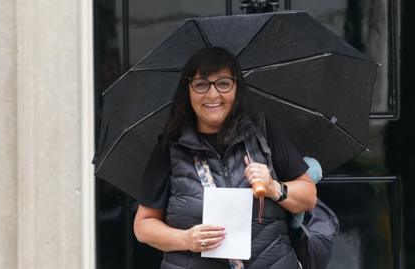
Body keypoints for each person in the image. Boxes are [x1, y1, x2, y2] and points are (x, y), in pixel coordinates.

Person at [133, 47, 317, 269]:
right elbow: (143, 226)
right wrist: (186, 240)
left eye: (223, 83)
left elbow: (308, 196)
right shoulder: (170, 147)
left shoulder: (261, 133)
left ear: (236, 88)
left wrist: (274, 187)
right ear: (187, 91)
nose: (212, 95)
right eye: (201, 84)